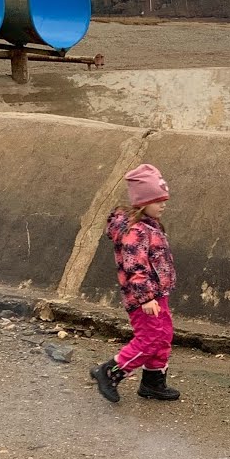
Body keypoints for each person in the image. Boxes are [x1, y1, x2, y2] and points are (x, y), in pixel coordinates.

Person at [90, 163, 180, 403]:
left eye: (164, 200)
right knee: (150, 338)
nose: (163, 204)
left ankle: (153, 382)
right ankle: (110, 372)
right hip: (144, 297)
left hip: (157, 294)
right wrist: (146, 297)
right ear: (143, 201)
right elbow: (135, 266)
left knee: (163, 336)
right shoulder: (136, 231)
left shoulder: (150, 226)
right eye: (158, 200)